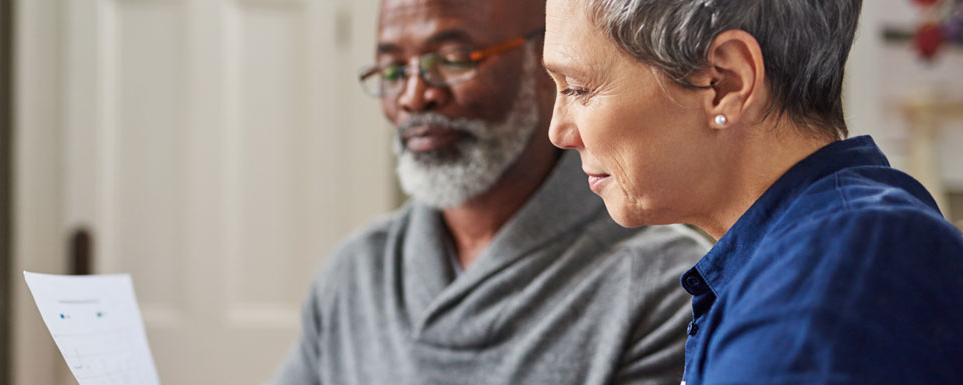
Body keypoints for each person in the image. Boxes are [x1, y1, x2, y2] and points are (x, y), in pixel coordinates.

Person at [270, 0, 711, 383]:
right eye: (391, 69)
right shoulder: (355, 272)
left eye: (453, 59)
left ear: (549, 64)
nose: (413, 95)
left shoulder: (663, 284)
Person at [542, 0, 963, 383]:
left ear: (723, 84)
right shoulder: (831, 256)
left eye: (578, 88)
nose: (558, 132)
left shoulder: (823, 287)